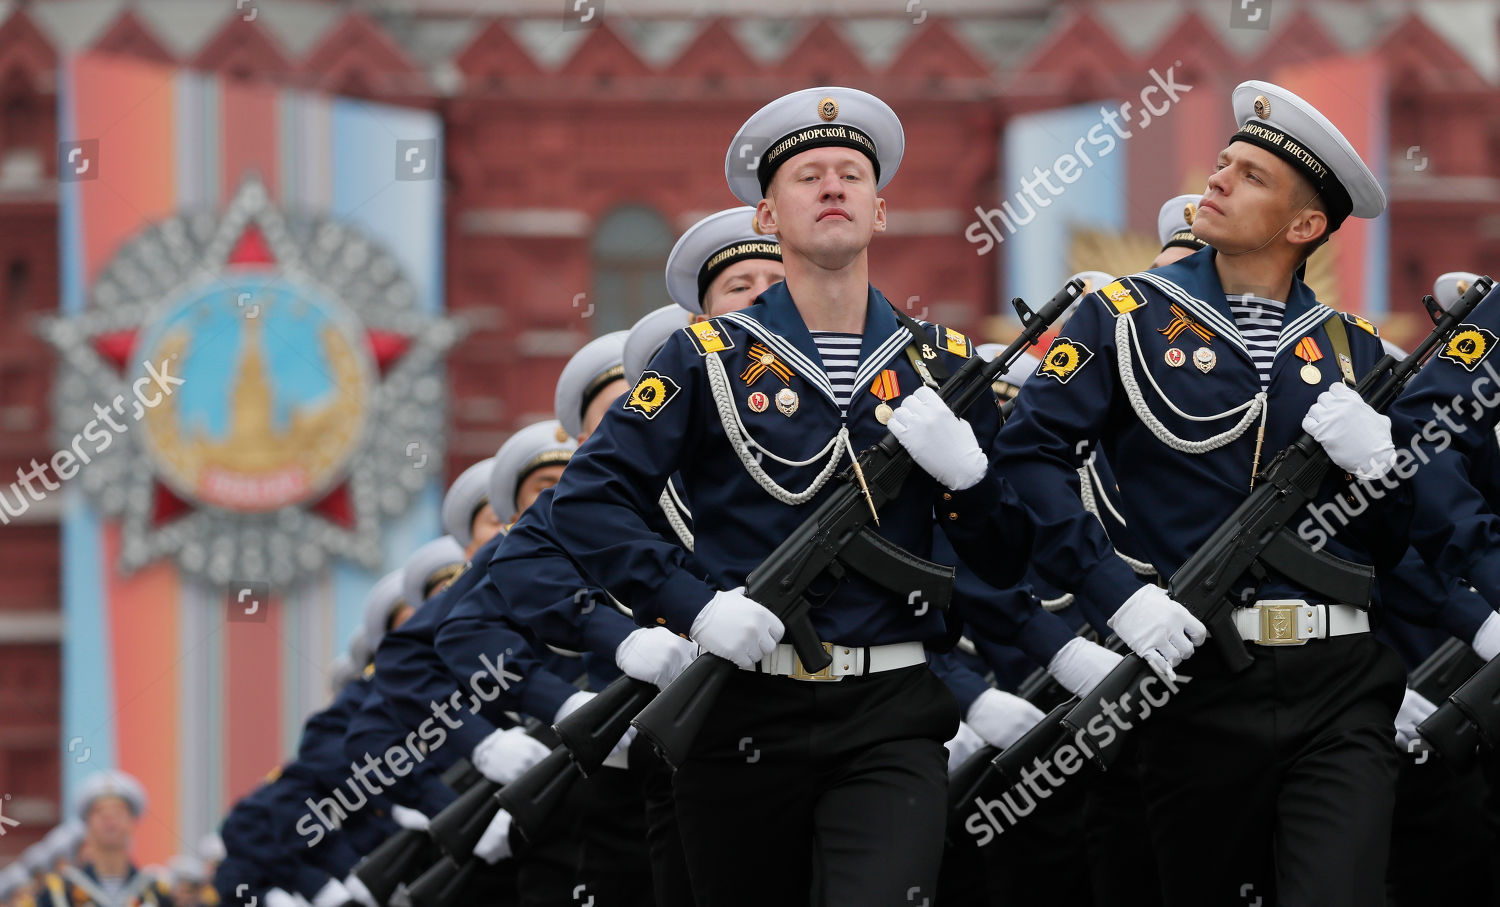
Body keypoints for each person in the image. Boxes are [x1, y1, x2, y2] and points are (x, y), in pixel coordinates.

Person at [550, 85, 1034, 905]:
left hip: (890, 711)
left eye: (852, 173)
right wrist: (696, 606)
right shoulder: (704, 358)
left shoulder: (944, 365)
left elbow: (1008, 555)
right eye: (809, 176)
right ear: (768, 219)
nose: (834, 186)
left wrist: (972, 480)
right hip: (742, 706)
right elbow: (587, 501)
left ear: (880, 212)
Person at [973, 80, 1407, 906]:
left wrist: (1383, 470)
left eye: (1248, 176)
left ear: (1304, 226)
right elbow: (1029, 460)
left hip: (1340, 681)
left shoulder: (1356, 355)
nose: (1217, 180)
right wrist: (1118, 596)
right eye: (1223, 162)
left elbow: (1394, 542)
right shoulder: (1124, 317)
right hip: (1196, 679)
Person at [37, 771, 173, 906]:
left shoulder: (155, 894)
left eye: (118, 811)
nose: (109, 818)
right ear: (87, 824)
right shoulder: (61, 894)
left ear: (133, 822)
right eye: (99, 811)